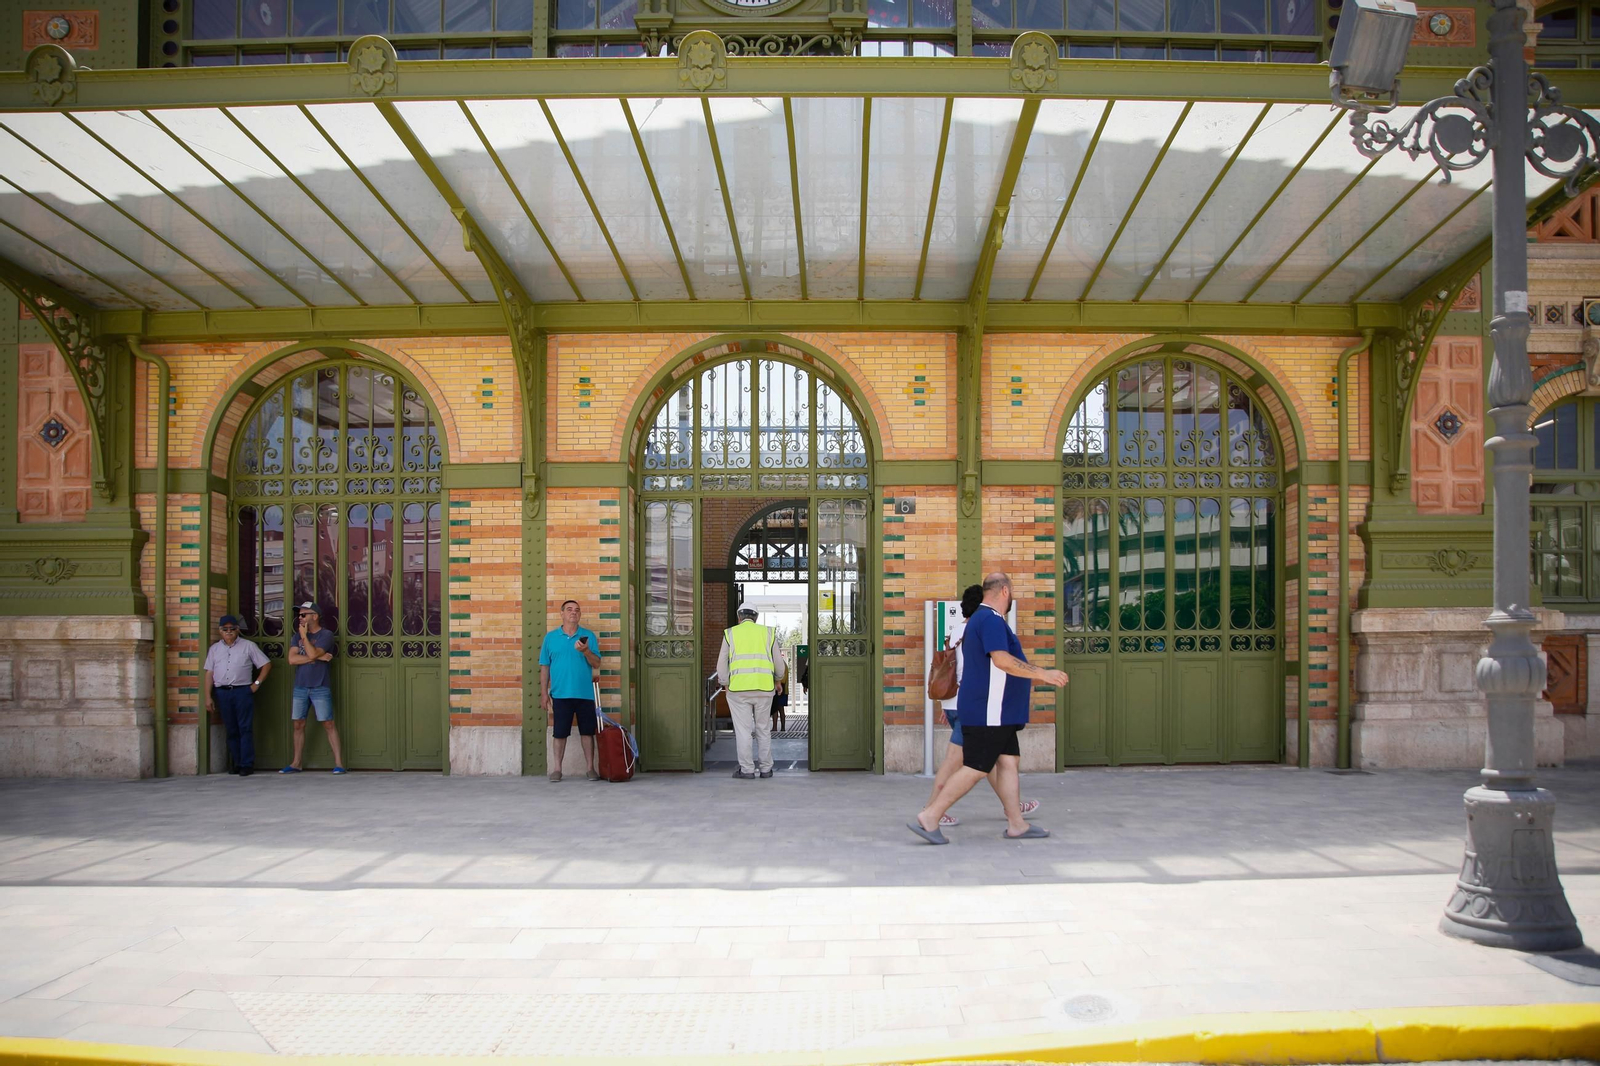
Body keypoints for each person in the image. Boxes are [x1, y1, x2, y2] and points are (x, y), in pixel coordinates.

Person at [909, 572, 1069, 844]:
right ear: (1005, 591)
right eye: (1013, 590)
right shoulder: (991, 619)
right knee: (977, 767)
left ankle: (1016, 824)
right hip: (989, 712)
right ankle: (931, 815)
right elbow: (1002, 660)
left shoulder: (981, 619)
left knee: (1008, 762)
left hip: (998, 712)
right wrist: (1043, 673)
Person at [923, 585, 1040, 828]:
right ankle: (932, 809)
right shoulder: (981, 628)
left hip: (955, 703)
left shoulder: (956, 631)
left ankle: (1014, 813)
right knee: (966, 763)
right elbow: (978, 671)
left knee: (993, 761)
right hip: (975, 706)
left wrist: (948, 705)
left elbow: (951, 670)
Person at [717, 606, 787, 779]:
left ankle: (747, 770)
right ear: (756, 617)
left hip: (738, 690)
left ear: (739, 616)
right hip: (764, 689)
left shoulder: (730, 633)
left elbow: (721, 662)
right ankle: (766, 769)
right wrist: (778, 680)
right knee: (763, 729)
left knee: (743, 731)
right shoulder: (768, 633)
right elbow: (779, 662)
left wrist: (725, 683)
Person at [540, 599, 602, 782]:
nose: (573, 612)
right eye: (569, 609)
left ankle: (590, 768)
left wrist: (586, 651)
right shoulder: (550, 638)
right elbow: (544, 666)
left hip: (585, 694)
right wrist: (544, 693)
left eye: (577, 610)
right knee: (559, 733)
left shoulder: (588, 636)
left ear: (580, 614)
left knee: (587, 732)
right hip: (560, 694)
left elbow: (597, 663)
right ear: (562, 613)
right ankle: (557, 769)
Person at [281, 601, 346, 774]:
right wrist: (317, 657)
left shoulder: (326, 635)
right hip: (300, 686)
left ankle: (339, 764)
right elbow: (292, 660)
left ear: (315, 616)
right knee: (298, 724)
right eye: (299, 615)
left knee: (328, 723)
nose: (300, 618)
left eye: (303, 614)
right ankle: (296, 763)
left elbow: (311, 653)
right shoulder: (296, 636)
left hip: (320, 686)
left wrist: (308, 646)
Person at [203, 615, 270, 777]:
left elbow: (266, 664)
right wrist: (207, 696)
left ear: (237, 630)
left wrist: (256, 684)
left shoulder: (248, 646)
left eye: (232, 629)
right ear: (220, 631)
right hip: (223, 692)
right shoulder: (215, 649)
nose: (229, 632)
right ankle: (236, 762)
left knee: (244, 728)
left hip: (242, 691)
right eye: (225, 629)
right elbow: (209, 673)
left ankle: (247, 764)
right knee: (231, 729)